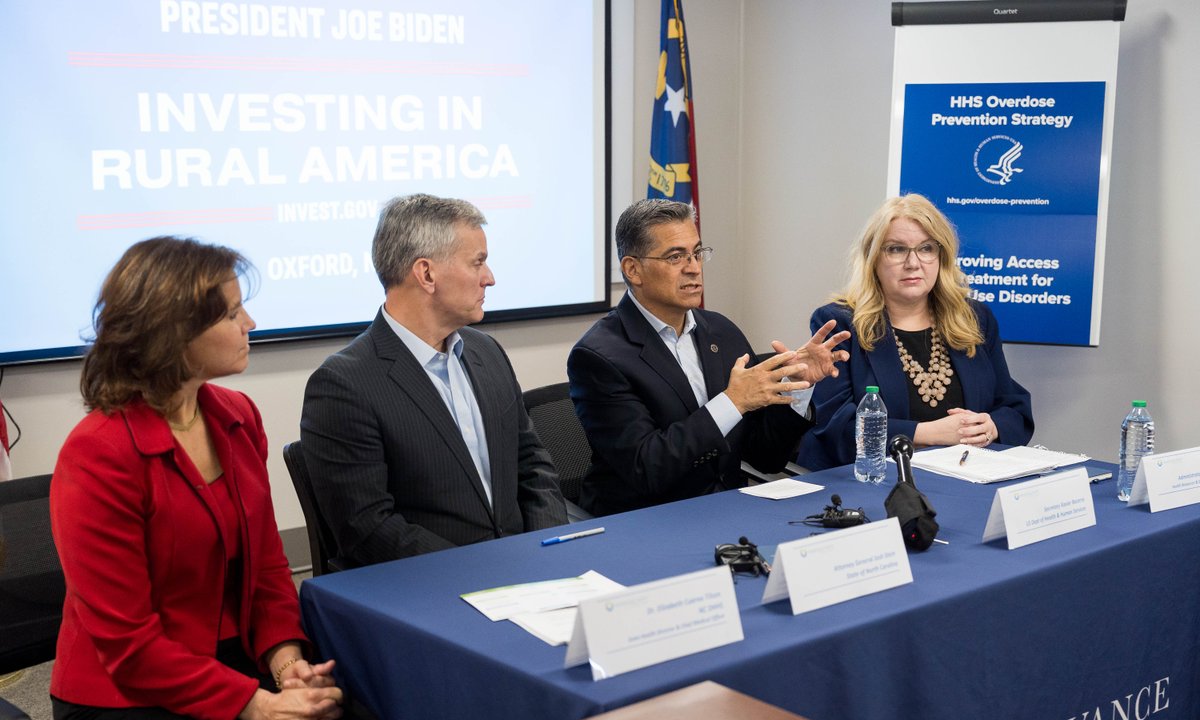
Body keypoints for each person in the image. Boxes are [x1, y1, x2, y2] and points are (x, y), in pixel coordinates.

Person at [49, 237, 405, 720]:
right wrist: (262, 707)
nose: (251, 322)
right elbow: (128, 646)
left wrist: (290, 669)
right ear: (174, 332)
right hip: (124, 698)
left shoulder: (237, 418)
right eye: (233, 312)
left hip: (236, 663)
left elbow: (267, 569)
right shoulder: (97, 452)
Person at [301, 194, 567, 566]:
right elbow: (368, 528)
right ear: (426, 274)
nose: (489, 278)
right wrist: (483, 571)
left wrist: (546, 546)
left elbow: (532, 463)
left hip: (525, 570)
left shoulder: (486, 352)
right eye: (478, 262)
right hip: (428, 588)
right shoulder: (343, 384)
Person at [568, 199, 850, 516]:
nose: (694, 267)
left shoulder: (721, 332)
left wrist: (794, 387)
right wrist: (733, 402)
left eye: (697, 253)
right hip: (645, 521)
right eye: (676, 257)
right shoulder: (598, 357)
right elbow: (647, 468)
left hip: (727, 511)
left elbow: (765, 458)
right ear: (633, 270)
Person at [796, 193, 1034, 470]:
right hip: (874, 482)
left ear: (941, 257)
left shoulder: (975, 318)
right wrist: (928, 434)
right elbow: (836, 429)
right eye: (896, 249)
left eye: (926, 248)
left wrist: (991, 427)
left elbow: (1014, 406)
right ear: (873, 259)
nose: (913, 262)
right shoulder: (839, 324)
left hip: (967, 476)